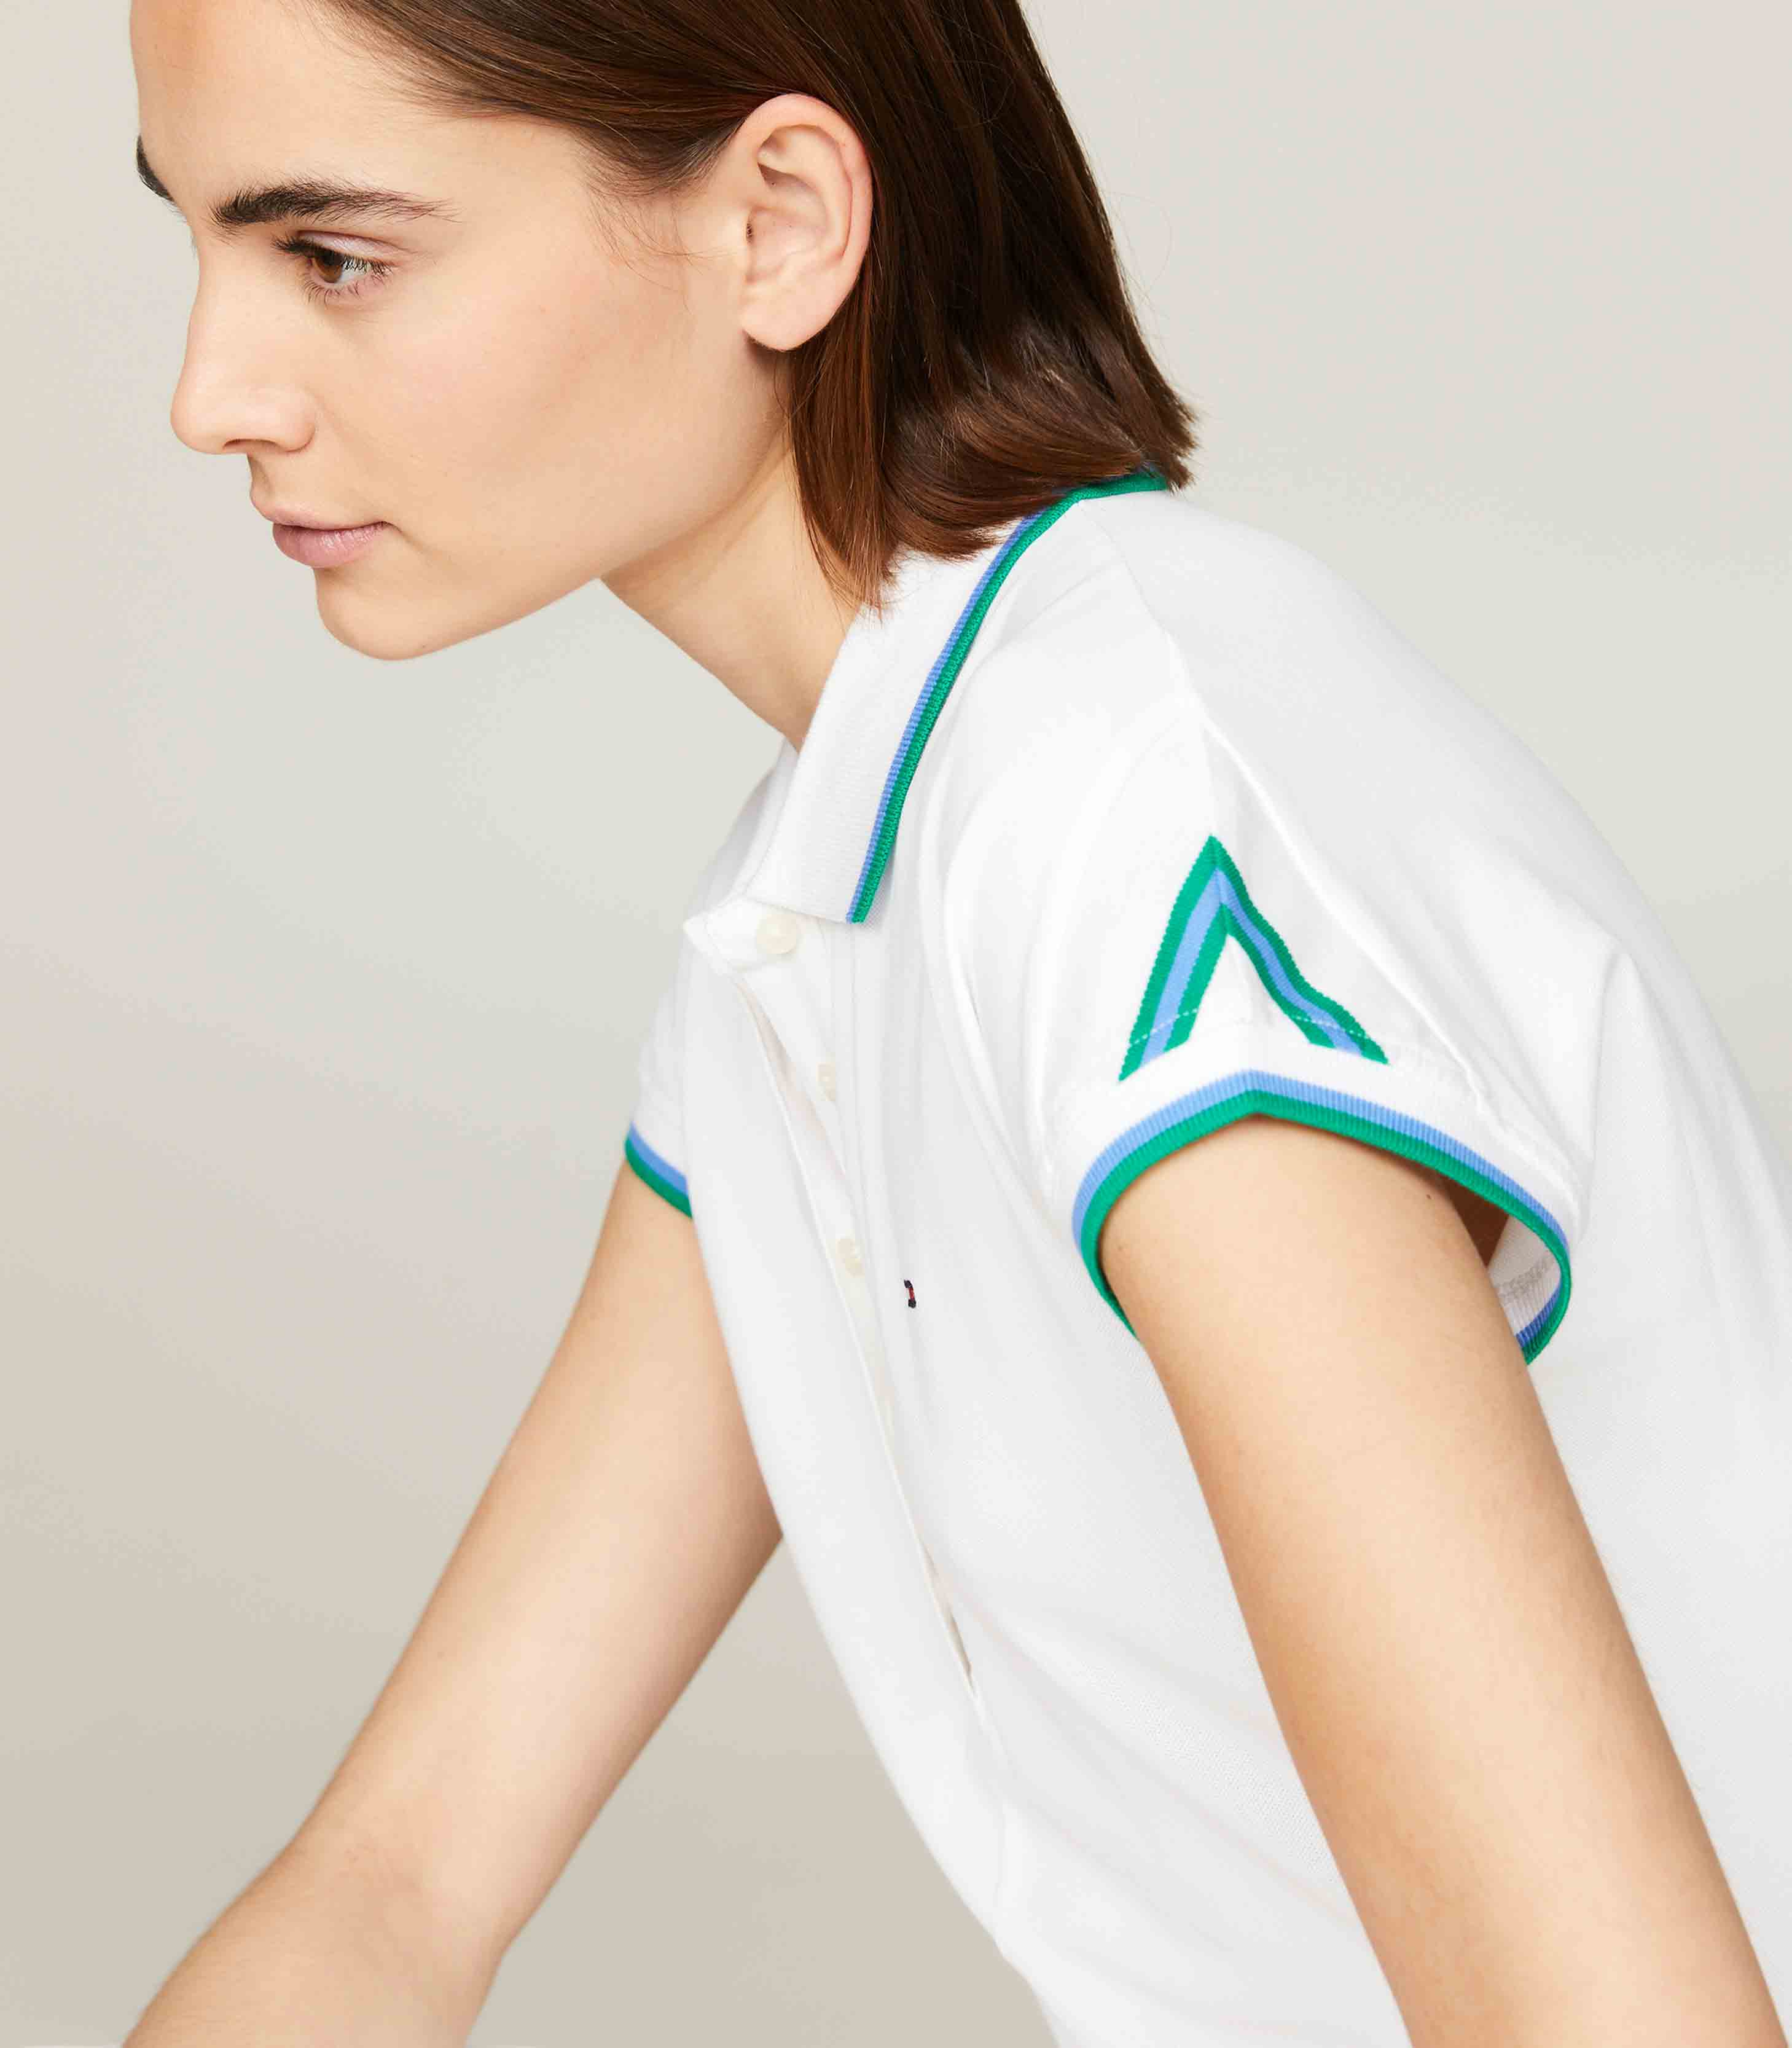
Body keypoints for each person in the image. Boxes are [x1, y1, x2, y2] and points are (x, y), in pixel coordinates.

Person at [124, 0, 1791, 2042]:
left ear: (779, 223)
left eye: (334, 257)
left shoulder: (1135, 826)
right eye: (195, 239)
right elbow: (396, 1885)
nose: (208, 394)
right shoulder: (830, 901)